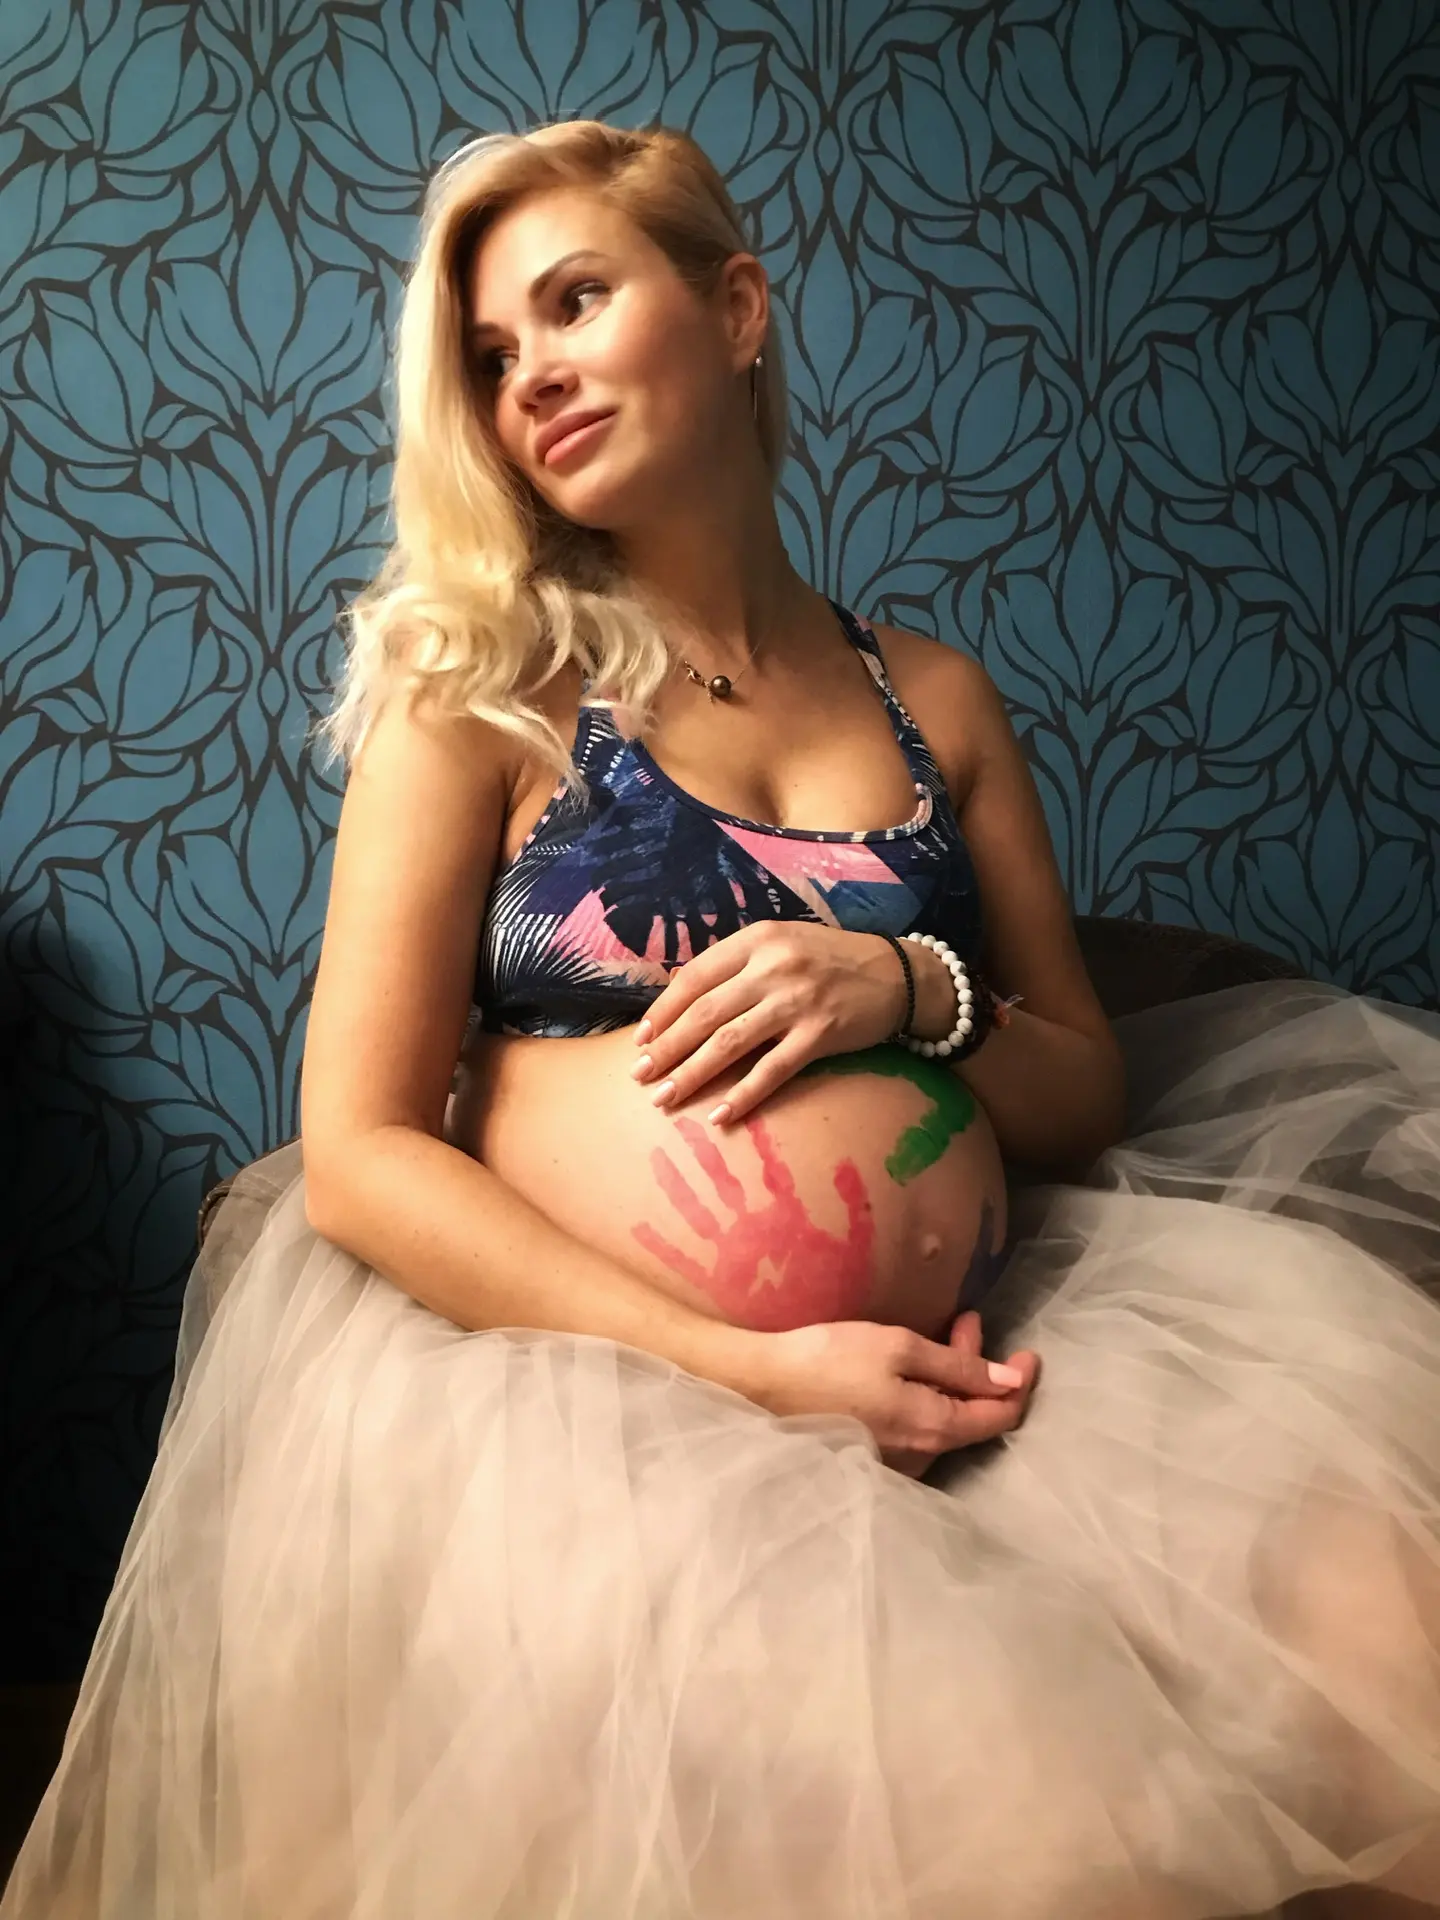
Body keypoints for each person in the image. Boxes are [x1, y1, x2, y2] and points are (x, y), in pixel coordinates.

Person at [5, 117, 1439, 1920]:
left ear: (737, 307)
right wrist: (753, 1372)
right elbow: (360, 1154)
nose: (531, 377)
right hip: (605, 1402)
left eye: (574, 303)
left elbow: (1082, 1086)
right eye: (490, 357)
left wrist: (905, 984)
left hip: (1001, 1348)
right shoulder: (481, 698)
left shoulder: (934, 701)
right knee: (1041, 1841)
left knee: (1391, 1655)